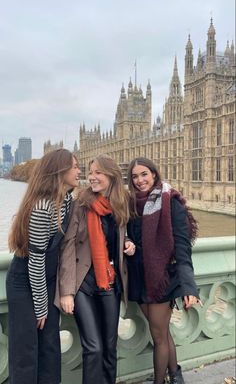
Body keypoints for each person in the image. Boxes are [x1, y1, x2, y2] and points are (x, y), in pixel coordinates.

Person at [56, 154, 135, 384]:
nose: (92, 177)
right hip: (83, 285)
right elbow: (68, 246)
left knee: (110, 348)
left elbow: (121, 235)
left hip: (110, 283)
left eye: (97, 172)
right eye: (90, 172)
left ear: (111, 175)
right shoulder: (81, 203)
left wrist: (128, 243)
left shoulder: (121, 203)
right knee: (94, 347)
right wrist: (67, 291)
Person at [6, 148, 81, 384]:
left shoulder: (67, 200)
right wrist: (41, 306)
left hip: (47, 279)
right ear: (60, 171)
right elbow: (35, 261)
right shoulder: (42, 208)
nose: (80, 170)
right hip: (25, 281)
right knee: (26, 348)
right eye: (75, 166)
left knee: (50, 344)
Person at [126, 157, 201, 384]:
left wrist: (189, 286)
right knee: (161, 331)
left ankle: (161, 381)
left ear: (154, 174)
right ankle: (176, 375)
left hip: (161, 277)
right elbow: (124, 232)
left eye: (144, 174)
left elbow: (182, 247)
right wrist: (127, 240)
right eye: (135, 176)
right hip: (139, 276)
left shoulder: (170, 202)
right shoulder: (131, 204)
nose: (140, 180)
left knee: (158, 336)